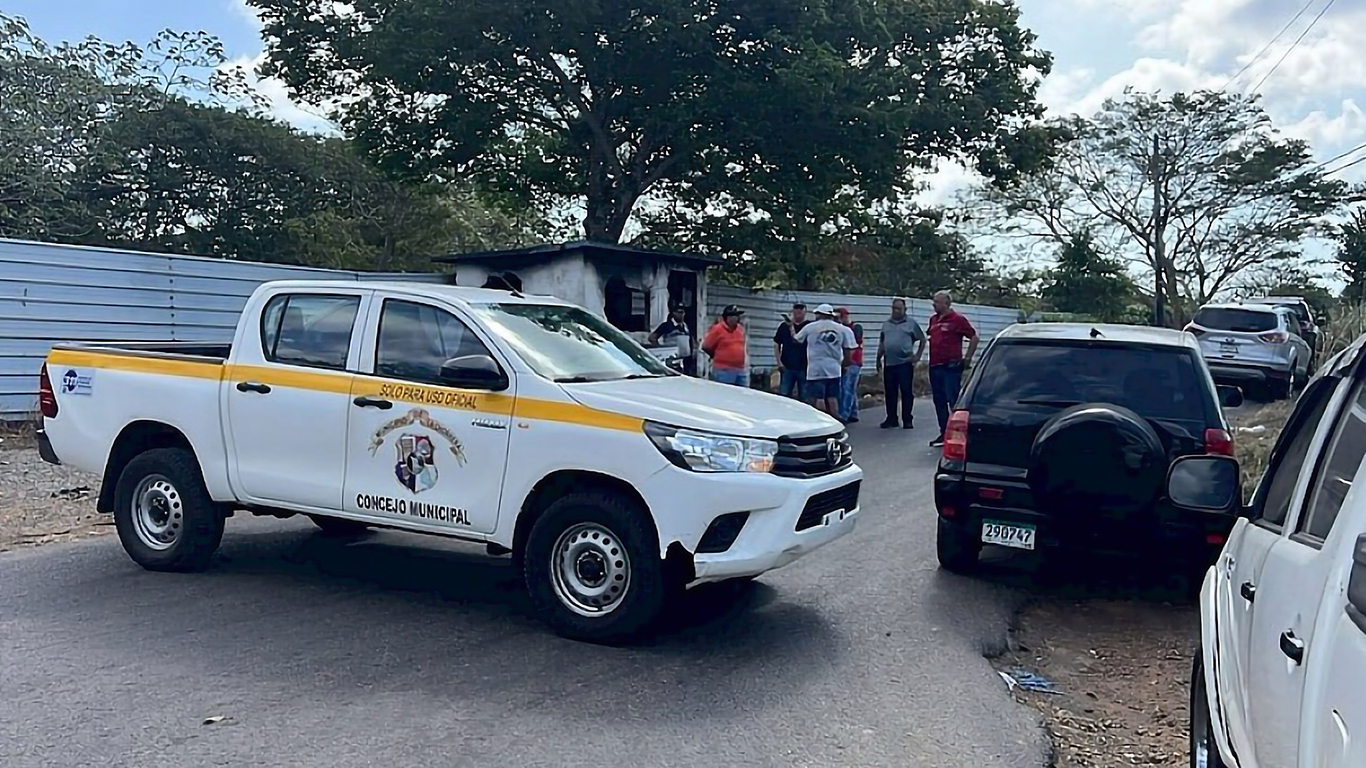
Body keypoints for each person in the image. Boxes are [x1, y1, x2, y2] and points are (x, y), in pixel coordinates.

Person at [927, 290, 979, 447]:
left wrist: (968, 358)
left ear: (947, 303)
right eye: (934, 301)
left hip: (950, 365)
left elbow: (973, 337)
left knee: (953, 400)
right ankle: (944, 433)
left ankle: (958, 434)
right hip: (935, 365)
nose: (934, 305)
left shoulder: (957, 319)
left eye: (937, 302)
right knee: (939, 400)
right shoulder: (933, 320)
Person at [795, 303, 856, 417]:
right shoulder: (842, 329)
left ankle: (821, 420)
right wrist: (845, 364)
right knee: (832, 397)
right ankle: (835, 419)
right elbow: (849, 349)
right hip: (834, 368)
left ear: (819, 314)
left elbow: (797, 340)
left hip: (815, 368)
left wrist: (790, 327)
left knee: (818, 397)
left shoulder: (811, 327)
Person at [876, 297, 925, 430]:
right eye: (894, 308)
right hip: (889, 363)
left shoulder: (911, 323)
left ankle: (907, 419)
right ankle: (891, 418)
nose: (896, 311)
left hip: (904, 363)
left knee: (906, 392)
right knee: (890, 392)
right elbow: (882, 342)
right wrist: (878, 358)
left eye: (898, 308)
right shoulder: (886, 324)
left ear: (905, 309)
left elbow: (922, 340)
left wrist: (917, 356)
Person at [702, 305, 749, 386]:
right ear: (728, 317)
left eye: (737, 315)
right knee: (724, 394)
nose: (737, 318)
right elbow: (706, 346)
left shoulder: (740, 329)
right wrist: (718, 355)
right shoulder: (717, 329)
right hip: (723, 370)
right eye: (735, 315)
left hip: (740, 369)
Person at [772, 302, 810, 401]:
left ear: (805, 311)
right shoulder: (784, 326)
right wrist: (779, 362)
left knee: (805, 397)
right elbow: (777, 344)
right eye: (796, 308)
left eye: (801, 308)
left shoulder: (809, 326)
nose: (798, 310)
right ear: (792, 310)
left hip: (804, 367)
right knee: (784, 395)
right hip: (787, 366)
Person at [836, 307, 864, 423]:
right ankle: (853, 412)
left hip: (853, 361)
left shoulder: (854, 328)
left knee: (846, 388)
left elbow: (855, 342)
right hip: (847, 362)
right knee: (850, 389)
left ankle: (844, 414)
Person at [649, 303, 694, 374]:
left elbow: (690, 341)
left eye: (683, 312)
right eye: (679, 312)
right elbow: (652, 338)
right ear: (673, 313)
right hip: (672, 360)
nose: (681, 315)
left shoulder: (686, 327)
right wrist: (661, 350)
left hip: (685, 359)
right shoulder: (667, 326)